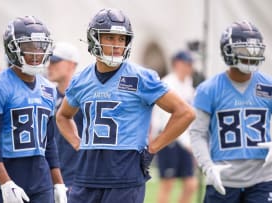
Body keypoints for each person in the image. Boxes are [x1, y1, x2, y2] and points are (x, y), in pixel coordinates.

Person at [56, 8, 195, 203]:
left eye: (121, 39)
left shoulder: (141, 77)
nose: (117, 45)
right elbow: (63, 116)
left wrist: (153, 148)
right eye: (110, 38)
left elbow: (185, 113)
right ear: (94, 38)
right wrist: (78, 143)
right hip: (86, 175)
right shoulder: (81, 80)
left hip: (125, 177)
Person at [0, 16, 67, 203]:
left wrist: (58, 182)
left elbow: (49, 142)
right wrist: (5, 183)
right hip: (5, 174)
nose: (36, 53)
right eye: (29, 47)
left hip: (40, 179)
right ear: (12, 48)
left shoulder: (48, 88)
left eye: (40, 46)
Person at [190, 20, 272, 203]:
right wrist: (208, 166)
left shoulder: (268, 85)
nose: (251, 55)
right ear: (228, 51)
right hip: (223, 177)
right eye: (244, 50)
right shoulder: (209, 89)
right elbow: (197, 133)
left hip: (262, 178)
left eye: (255, 50)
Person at [152, 50, 197, 203]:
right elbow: (168, 120)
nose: (190, 67)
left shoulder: (189, 85)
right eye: (187, 64)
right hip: (168, 139)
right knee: (167, 184)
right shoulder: (167, 84)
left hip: (184, 140)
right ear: (177, 64)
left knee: (191, 184)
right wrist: (186, 142)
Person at [47, 42, 83, 191]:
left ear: (71, 65)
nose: (49, 66)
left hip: (76, 179)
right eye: (48, 61)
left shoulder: (84, 97)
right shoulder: (46, 96)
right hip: (49, 178)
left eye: (55, 61)